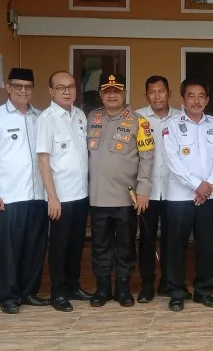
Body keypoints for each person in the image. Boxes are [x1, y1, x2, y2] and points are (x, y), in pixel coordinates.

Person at [0, 68, 50, 314]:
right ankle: (8, 296)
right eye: (18, 86)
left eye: (28, 86)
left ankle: (28, 292)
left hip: (37, 196)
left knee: (34, 247)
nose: (23, 91)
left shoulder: (39, 117)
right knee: (8, 250)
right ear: (8, 87)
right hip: (8, 196)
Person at [86, 74, 154, 308]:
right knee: (100, 246)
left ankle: (123, 288)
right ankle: (102, 288)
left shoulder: (140, 121)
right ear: (101, 95)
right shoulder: (91, 118)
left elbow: (147, 159)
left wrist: (143, 190)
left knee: (125, 246)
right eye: (107, 91)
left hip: (126, 198)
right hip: (97, 197)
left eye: (116, 90)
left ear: (124, 93)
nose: (112, 94)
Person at [162, 79, 213, 311]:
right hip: (180, 197)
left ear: (207, 100)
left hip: (210, 195)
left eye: (201, 96)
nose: (196, 101)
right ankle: (176, 292)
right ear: (183, 99)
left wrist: (208, 185)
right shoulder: (172, 125)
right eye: (191, 96)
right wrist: (198, 185)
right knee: (177, 246)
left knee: (206, 245)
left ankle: (203, 291)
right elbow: (173, 161)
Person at [36, 71, 94, 313]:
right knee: (59, 246)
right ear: (51, 91)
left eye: (71, 87)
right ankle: (57, 292)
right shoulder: (46, 119)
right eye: (61, 88)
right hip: (60, 197)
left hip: (81, 194)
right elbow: (43, 160)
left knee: (76, 244)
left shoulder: (80, 115)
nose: (67, 91)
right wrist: (52, 196)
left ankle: (73, 285)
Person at [135, 75, 184, 302]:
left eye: (161, 91)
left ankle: (169, 282)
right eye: (152, 92)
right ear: (146, 95)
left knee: (172, 239)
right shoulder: (137, 118)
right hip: (148, 191)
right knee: (146, 239)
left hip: (175, 190)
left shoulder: (181, 118)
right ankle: (147, 285)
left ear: (169, 93)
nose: (157, 95)